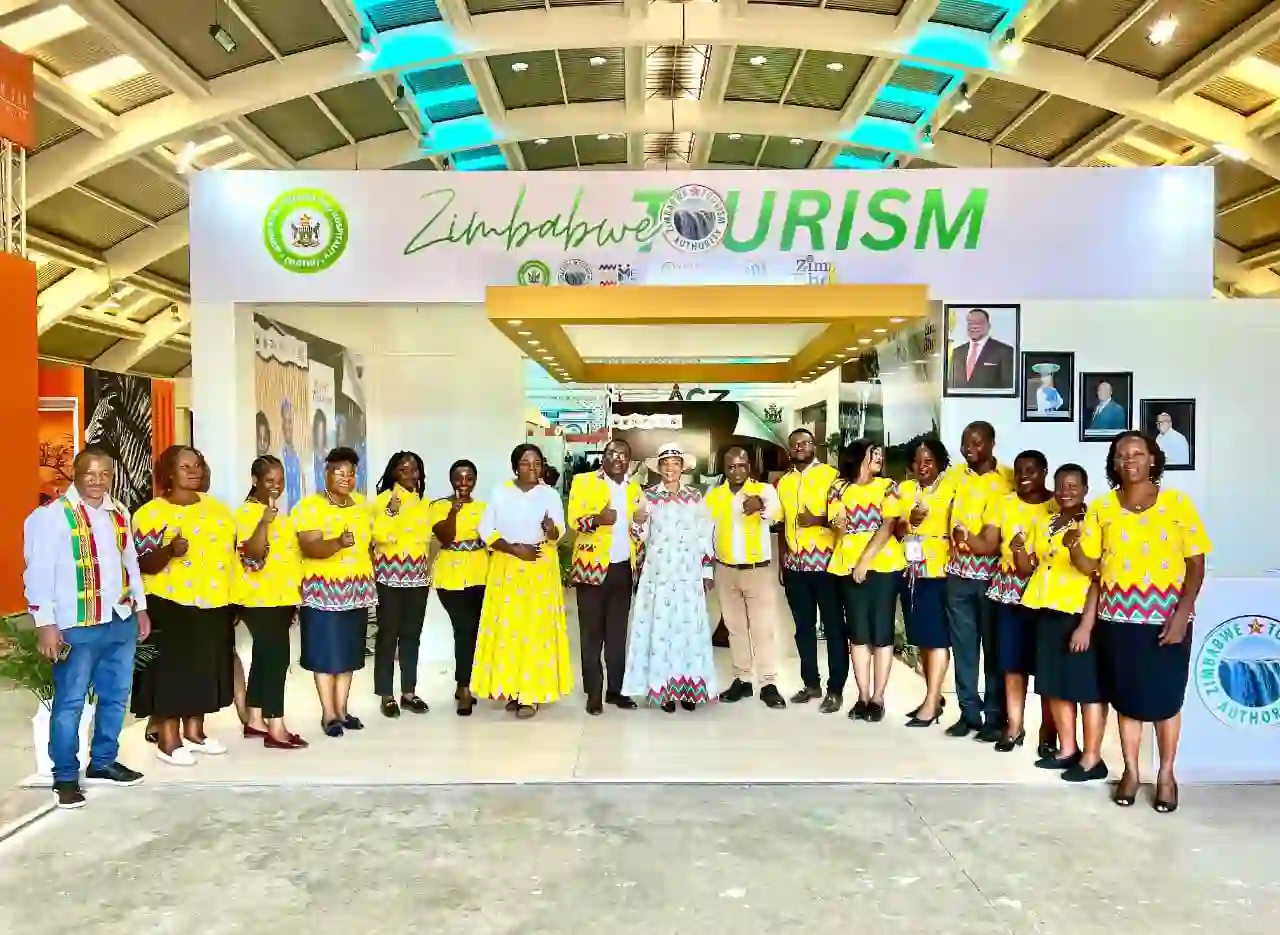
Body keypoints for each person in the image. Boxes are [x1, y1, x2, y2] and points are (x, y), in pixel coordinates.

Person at [1067, 431, 1210, 813]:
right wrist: (1074, 545)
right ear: (1114, 463)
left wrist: (1182, 614)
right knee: (1127, 700)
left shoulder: (1177, 504)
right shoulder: (1102, 508)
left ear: (1152, 459)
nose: (1128, 460)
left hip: (1167, 620)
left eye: (1137, 453)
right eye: (1121, 455)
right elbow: (1091, 567)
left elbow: (1196, 565)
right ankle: (1131, 772)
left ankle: (1166, 775)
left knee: (1166, 701)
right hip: (1117, 621)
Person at [24, 447, 150, 808]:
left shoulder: (119, 511)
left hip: (119, 619)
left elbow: (130, 563)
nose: (97, 481)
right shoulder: (50, 516)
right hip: (75, 624)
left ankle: (103, 762)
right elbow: (37, 573)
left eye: (104, 474)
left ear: (112, 476)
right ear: (76, 475)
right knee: (70, 701)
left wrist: (141, 608)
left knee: (115, 696)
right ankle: (64, 776)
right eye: (89, 474)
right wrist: (45, 624)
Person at [132, 445, 236, 767]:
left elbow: (230, 558)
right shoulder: (150, 513)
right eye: (185, 466)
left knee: (204, 669)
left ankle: (195, 733)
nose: (194, 471)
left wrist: (232, 599)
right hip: (168, 603)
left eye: (198, 465)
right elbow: (141, 564)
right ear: (169, 473)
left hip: (214, 602)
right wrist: (169, 551)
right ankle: (168, 740)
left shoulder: (220, 511)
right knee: (171, 674)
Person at [1018, 463, 1108, 782]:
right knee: (1053, 684)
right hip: (1046, 610)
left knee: (1087, 688)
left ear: (1085, 489)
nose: (1065, 492)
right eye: (1060, 486)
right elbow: (1030, 565)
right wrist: (1019, 550)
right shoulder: (1046, 523)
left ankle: (1092, 759)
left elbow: (1096, 576)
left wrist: (1086, 625)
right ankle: (1068, 749)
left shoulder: (1093, 524)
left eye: (1073, 486)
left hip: (1078, 614)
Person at [472, 443, 571, 719]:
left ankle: (531, 694)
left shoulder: (549, 495)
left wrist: (551, 530)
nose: (532, 468)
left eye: (537, 463)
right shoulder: (500, 492)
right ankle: (512, 689)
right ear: (515, 466)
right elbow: (486, 529)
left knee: (535, 631)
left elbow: (559, 531)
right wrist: (515, 549)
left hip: (540, 567)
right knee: (508, 630)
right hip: (507, 566)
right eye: (526, 463)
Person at [971, 450, 1057, 751]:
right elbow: (989, 543)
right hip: (1008, 592)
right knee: (1011, 663)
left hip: (1046, 595)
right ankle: (1014, 726)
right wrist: (962, 536)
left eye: (1031, 470)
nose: (1023, 476)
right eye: (1019, 470)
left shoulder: (1057, 505)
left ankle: (1049, 733)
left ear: (1044, 472)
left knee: (1046, 667)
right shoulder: (1004, 503)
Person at [623, 443, 718, 712]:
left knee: (688, 630)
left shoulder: (695, 497)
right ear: (659, 468)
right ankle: (663, 689)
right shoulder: (648, 497)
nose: (670, 468)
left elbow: (705, 534)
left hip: (688, 574)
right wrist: (637, 520)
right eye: (665, 464)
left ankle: (688, 689)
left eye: (675, 463)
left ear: (682, 468)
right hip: (659, 575)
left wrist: (707, 571)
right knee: (662, 630)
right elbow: (639, 537)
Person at [293, 447, 376, 737]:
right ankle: (328, 714)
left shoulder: (363, 506)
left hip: (356, 590)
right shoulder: (309, 507)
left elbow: (371, 545)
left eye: (351, 473)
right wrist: (338, 543)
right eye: (338, 472)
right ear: (325, 474)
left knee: (349, 653)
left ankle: (342, 710)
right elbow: (309, 546)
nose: (346, 478)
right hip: (322, 592)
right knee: (325, 654)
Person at [827, 440, 905, 722]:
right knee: (858, 633)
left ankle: (878, 698)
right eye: (874, 453)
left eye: (881, 454)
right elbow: (838, 525)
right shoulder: (838, 487)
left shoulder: (887, 486)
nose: (879, 457)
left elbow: (888, 525)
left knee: (882, 631)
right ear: (859, 456)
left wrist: (865, 560)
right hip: (846, 565)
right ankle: (862, 696)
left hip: (884, 564)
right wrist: (838, 526)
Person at [944, 421, 1013, 740]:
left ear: (991, 443)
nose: (968, 449)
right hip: (958, 577)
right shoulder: (955, 476)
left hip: (993, 581)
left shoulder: (1009, 478)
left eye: (976, 442)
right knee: (964, 650)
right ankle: (968, 713)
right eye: (964, 443)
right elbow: (932, 500)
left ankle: (995, 717)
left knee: (994, 652)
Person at [233, 455, 306, 749]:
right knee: (277, 660)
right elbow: (252, 555)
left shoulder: (278, 514)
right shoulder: (247, 514)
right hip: (260, 599)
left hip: (281, 597)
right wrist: (264, 521)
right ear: (255, 480)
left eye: (280, 480)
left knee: (265, 657)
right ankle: (276, 727)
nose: (276, 486)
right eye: (269, 480)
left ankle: (254, 719)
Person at [706, 446, 785, 709]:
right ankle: (742, 680)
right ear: (724, 469)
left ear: (749, 467)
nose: (737, 471)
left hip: (756, 571)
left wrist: (761, 505)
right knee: (735, 629)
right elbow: (706, 532)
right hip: (725, 570)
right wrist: (707, 570)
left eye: (742, 465)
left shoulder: (764, 490)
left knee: (763, 629)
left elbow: (776, 512)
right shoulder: (714, 496)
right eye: (731, 466)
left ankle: (769, 683)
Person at [567, 438, 642, 715]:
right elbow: (574, 521)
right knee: (591, 634)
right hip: (591, 568)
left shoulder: (634, 488)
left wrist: (640, 525)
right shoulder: (583, 482)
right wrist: (597, 520)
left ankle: (616, 691)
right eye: (612, 454)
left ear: (629, 460)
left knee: (617, 634)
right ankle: (594, 693)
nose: (617, 459)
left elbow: (638, 529)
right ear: (604, 457)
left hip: (623, 569)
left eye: (623, 455)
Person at [776, 428, 845, 711]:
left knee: (834, 628)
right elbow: (782, 522)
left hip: (826, 565)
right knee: (803, 629)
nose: (799, 448)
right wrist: (782, 557)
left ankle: (836, 689)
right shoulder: (784, 482)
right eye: (794, 445)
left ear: (814, 446)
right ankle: (811, 684)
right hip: (795, 566)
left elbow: (844, 520)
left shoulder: (832, 476)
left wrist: (817, 519)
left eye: (804, 443)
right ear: (789, 450)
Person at [897, 439, 958, 728]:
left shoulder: (951, 487)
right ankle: (932, 696)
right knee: (921, 638)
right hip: (911, 572)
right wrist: (911, 519)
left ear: (940, 462)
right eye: (917, 461)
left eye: (929, 461)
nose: (922, 466)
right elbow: (896, 529)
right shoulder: (905, 490)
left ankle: (932, 702)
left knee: (937, 638)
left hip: (939, 571)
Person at [370, 451, 432, 718]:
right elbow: (378, 536)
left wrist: (428, 569)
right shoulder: (383, 500)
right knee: (388, 635)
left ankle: (408, 693)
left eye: (414, 469)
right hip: (390, 577)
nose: (409, 474)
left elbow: (428, 540)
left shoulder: (423, 502)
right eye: (403, 469)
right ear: (394, 472)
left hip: (417, 578)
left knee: (412, 635)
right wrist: (392, 512)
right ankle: (386, 695)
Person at [429, 460, 488, 716]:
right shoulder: (438, 506)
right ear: (451, 480)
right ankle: (464, 687)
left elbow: (490, 538)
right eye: (458, 478)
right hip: (450, 576)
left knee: (472, 630)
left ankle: (464, 682)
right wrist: (454, 511)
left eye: (469, 478)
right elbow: (445, 537)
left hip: (480, 573)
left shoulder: (484, 508)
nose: (463, 483)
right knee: (463, 628)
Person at [948, 308, 1014, 391]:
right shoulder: (957, 352)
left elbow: (1008, 388)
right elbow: (951, 386)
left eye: (978, 323)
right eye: (970, 323)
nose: (974, 326)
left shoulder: (1004, 351)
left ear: (988, 326)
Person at [279, 400, 302, 510]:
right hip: (284, 516)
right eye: (284, 421)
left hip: (301, 516)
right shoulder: (277, 458)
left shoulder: (301, 456)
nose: (287, 426)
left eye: (290, 421)